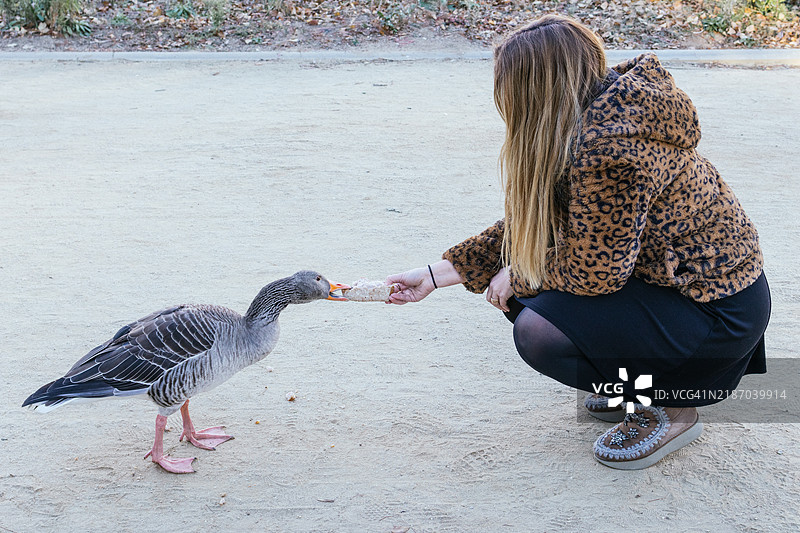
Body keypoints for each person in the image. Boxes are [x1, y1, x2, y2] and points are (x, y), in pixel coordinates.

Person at [386, 15, 771, 470]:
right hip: (682, 291)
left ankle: (673, 408)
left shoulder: (612, 147)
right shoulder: (601, 110)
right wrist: (438, 274)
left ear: (536, 90)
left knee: (539, 330)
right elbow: (544, 221)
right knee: (532, 299)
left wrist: (522, 272)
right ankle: (635, 386)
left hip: (712, 313)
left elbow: (596, 271)